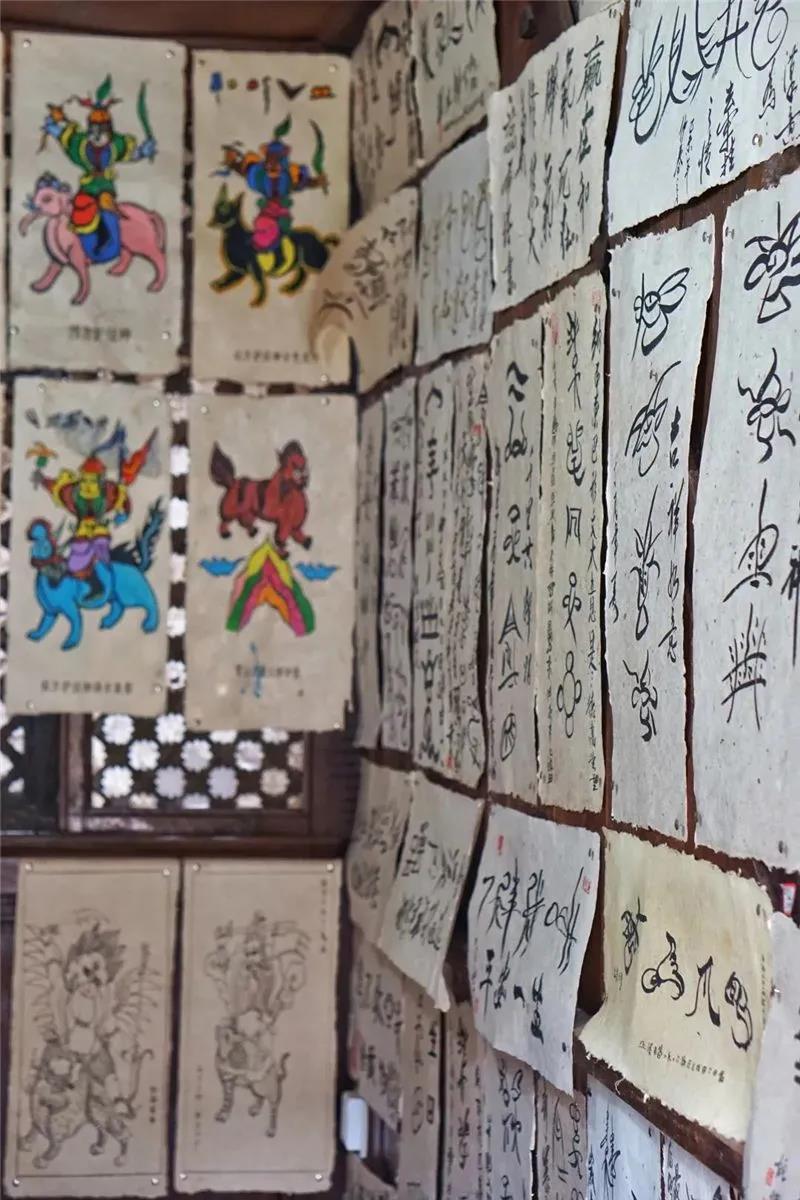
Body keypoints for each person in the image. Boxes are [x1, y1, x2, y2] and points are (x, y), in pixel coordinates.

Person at [41, 75, 156, 263]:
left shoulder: (116, 145)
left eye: (101, 130)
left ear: (108, 130)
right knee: (80, 210)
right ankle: (88, 248)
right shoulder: (81, 144)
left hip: (105, 186)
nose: (97, 135)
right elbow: (65, 137)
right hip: (87, 186)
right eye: (93, 130)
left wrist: (144, 151)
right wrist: (53, 128)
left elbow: (131, 154)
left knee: (106, 206)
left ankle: (110, 245)